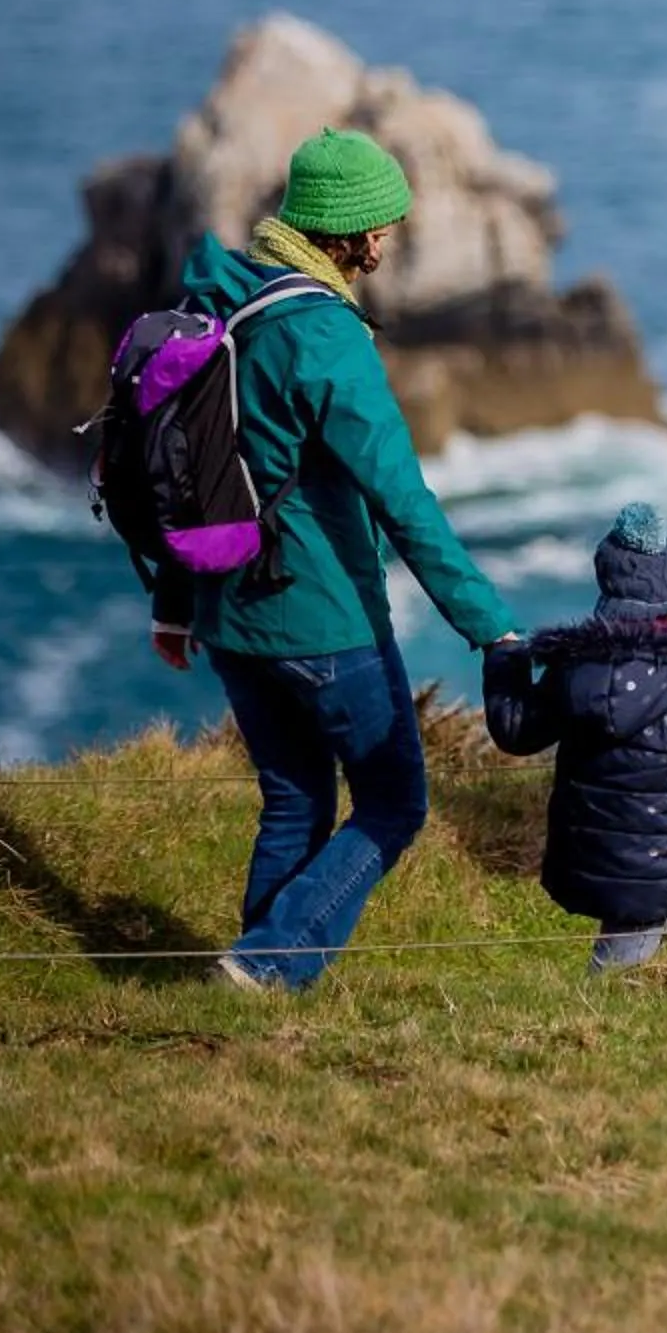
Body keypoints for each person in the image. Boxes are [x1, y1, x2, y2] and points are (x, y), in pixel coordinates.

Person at [147, 128, 521, 992]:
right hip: (321, 618)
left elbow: (185, 462)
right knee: (394, 804)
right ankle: (270, 963)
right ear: (346, 232)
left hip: (227, 611)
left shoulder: (223, 295)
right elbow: (404, 501)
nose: (389, 240)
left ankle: (249, 978)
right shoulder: (325, 337)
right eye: (381, 225)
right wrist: (491, 628)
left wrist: (174, 603)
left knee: (295, 797)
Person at [482, 504, 667, 974]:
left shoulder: (568, 676)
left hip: (591, 862)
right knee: (612, 979)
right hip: (656, 873)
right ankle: (585, 1029)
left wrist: (506, 658)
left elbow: (515, 731)